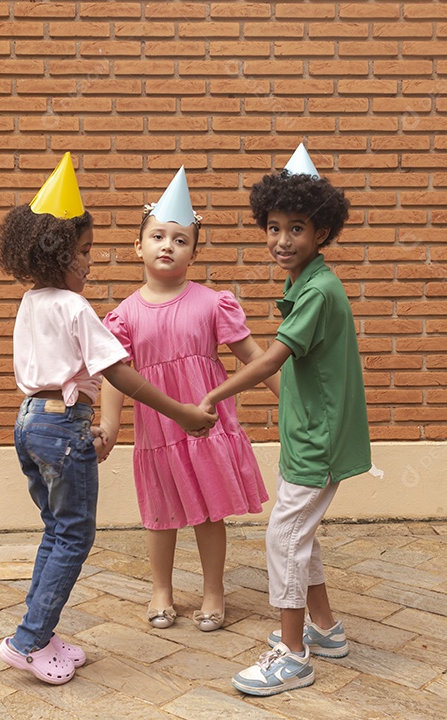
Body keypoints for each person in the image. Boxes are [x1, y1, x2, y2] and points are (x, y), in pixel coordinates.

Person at [0, 153, 217, 686]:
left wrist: (81, 424)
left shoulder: (31, 302)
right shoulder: (74, 308)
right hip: (59, 423)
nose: (90, 263)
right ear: (60, 256)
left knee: (56, 529)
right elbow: (121, 373)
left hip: (31, 420)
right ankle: (27, 642)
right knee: (74, 536)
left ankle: (40, 634)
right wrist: (182, 410)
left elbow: (57, 377)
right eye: (85, 253)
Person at [199, 144, 372, 696]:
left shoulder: (318, 290)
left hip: (317, 440)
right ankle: (325, 629)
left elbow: (272, 357)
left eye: (296, 228)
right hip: (309, 434)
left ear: (322, 232)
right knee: (300, 533)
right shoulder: (307, 283)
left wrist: (213, 395)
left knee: (284, 537)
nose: (281, 241)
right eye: (273, 227)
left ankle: (293, 656)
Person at [98, 167, 277, 633]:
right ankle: (162, 589)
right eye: (157, 236)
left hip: (205, 426)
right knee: (160, 513)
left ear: (194, 253)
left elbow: (255, 358)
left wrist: (294, 399)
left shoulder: (211, 303)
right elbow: (116, 377)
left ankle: (214, 589)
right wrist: (112, 428)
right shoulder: (122, 317)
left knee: (208, 509)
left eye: (180, 240)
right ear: (137, 246)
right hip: (156, 431)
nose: (167, 246)